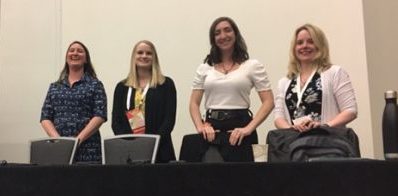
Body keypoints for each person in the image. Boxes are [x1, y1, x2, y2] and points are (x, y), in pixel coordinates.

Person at [188, 16, 274, 162]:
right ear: (213, 39)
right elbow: (193, 103)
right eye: (217, 33)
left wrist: (248, 129)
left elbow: (269, 102)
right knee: (209, 180)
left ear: (235, 34)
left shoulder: (252, 66)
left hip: (240, 131)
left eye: (227, 30)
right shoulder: (204, 68)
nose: (223, 36)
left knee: (241, 180)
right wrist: (200, 126)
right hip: (212, 131)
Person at [274, 23, 357, 132]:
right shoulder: (284, 82)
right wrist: (291, 129)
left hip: (327, 143)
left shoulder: (335, 73)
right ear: (294, 48)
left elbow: (350, 110)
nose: (304, 46)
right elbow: (278, 118)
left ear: (320, 45)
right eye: (299, 43)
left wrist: (325, 126)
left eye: (311, 41)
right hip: (295, 144)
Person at [40, 41, 107, 163]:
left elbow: (100, 115)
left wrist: (77, 141)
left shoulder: (95, 85)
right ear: (66, 58)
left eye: (80, 51)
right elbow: (45, 117)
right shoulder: (55, 87)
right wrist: (59, 142)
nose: (75, 53)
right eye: (71, 50)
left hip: (88, 149)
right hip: (59, 150)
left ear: (86, 59)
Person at [112, 40, 177, 163]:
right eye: (140, 52)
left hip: (160, 150)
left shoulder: (166, 84)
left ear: (154, 58)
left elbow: (169, 120)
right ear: (134, 57)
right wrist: (130, 145)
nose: (144, 56)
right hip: (129, 153)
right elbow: (116, 122)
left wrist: (152, 143)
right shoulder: (122, 87)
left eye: (149, 53)